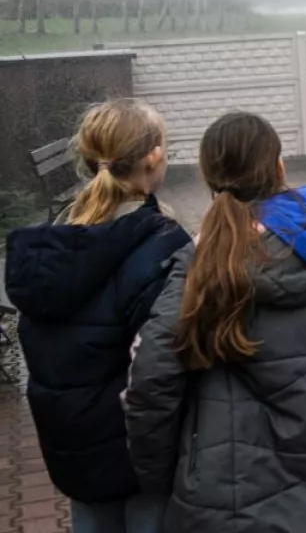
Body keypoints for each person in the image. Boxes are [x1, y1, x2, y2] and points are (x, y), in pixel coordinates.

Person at [124, 112, 306, 533]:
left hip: (239, 496)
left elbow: (153, 375)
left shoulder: (203, 260)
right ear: (279, 166)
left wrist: (160, 477)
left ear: (209, 180)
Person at [4, 99, 190, 533]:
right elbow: (168, 361)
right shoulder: (163, 245)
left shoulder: (50, 247)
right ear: (154, 157)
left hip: (76, 450)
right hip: (143, 455)